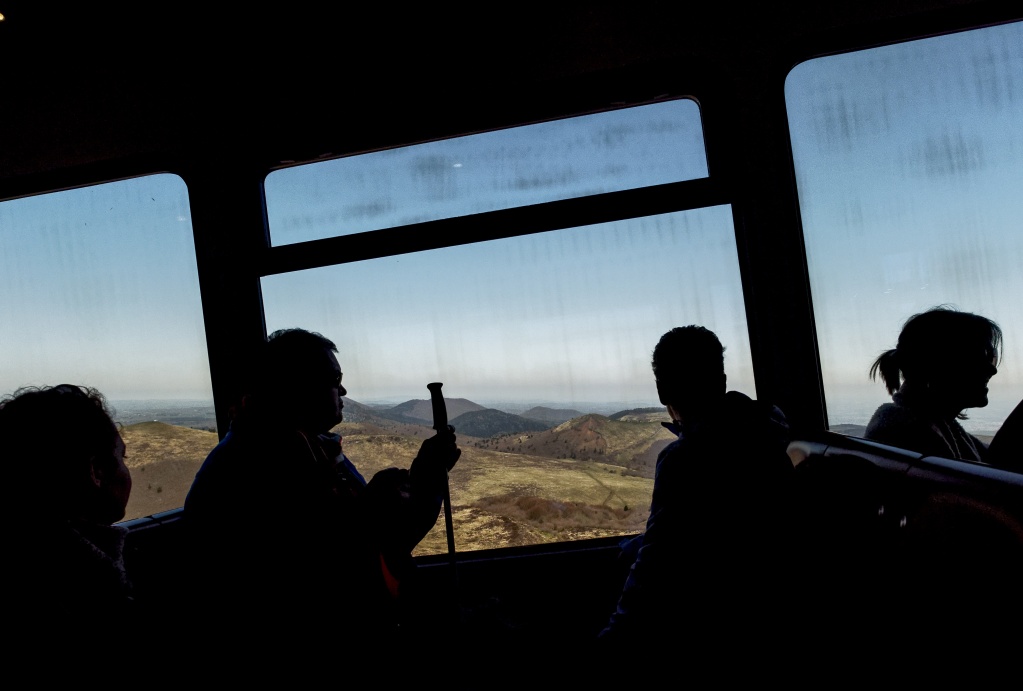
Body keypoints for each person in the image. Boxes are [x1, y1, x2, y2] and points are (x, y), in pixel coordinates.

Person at [181, 328, 460, 656]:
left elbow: (381, 544)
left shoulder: (312, 450)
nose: (342, 388)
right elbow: (318, 580)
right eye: (334, 377)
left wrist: (426, 475)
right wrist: (374, 508)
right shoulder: (254, 468)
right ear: (297, 385)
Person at [597, 326, 792, 649]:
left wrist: (606, 646)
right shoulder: (770, 434)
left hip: (706, 630)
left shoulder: (686, 460)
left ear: (662, 391)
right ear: (723, 380)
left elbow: (655, 571)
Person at [0, 384, 134, 634]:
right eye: (122, 458)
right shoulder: (86, 586)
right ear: (97, 471)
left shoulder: (25, 550)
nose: (127, 472)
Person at [864, 306, 1001, 463]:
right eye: (979, 356)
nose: (992, 369)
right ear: (935, 363)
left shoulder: (941, 425)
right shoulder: (907, 434)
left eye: (991, 357)